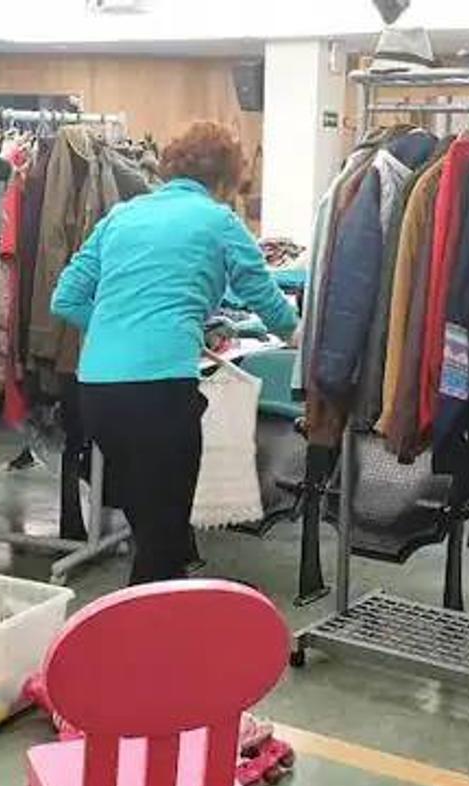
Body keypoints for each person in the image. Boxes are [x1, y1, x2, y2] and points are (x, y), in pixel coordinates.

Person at [51, 121, 299, 585]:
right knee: (164, 536)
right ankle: (143, 642)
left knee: (150, 526)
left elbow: (64, 298)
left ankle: (148, 629)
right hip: (159, 390)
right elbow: (266, 299)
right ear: (226, 179)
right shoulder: (219, 220)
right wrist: (302, 338)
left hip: (99, 390)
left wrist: (118, 327)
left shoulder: (122, 216)